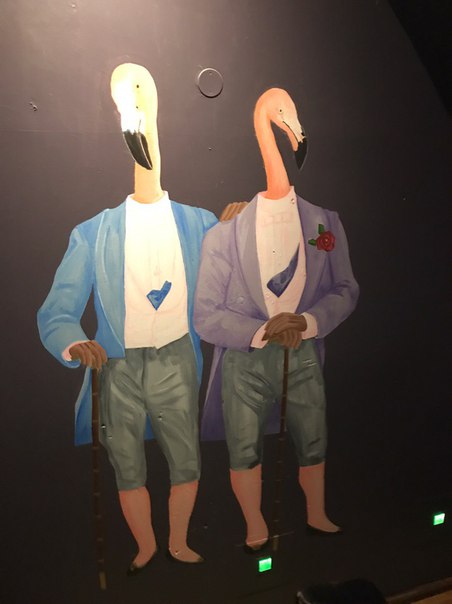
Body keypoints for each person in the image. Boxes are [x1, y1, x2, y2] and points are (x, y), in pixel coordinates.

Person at [37, 63, 217, 573]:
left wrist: (238, 223)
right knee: (126, 463)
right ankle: (145, 545)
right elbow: (57, 309)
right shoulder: (93, 233)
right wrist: (74, 343)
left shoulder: (201, 225)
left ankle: (178, 541)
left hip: (177, 357)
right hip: (117, 367)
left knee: (186, 456)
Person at [194, 88, 359, 551]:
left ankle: (316, 514)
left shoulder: (325, 223)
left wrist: (307, 322)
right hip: (244, 363)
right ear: (269, 118)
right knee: (243, 446)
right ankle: (255, 526)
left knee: (314, 438)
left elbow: (346, 288)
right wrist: (259, 330)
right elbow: (205, 314)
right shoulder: (224, 235)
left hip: (302, 354)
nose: (290, 126)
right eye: (283, 116)